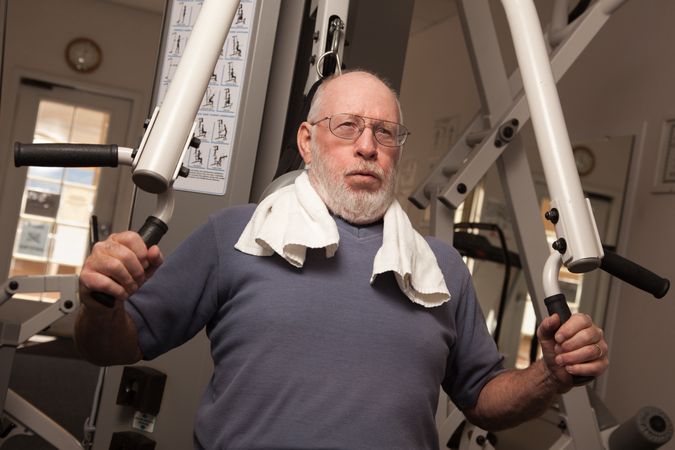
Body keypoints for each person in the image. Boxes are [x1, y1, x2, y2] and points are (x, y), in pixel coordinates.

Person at [75, 70, 609, 449]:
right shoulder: (233, 236)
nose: (368, 146)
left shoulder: (441, 270)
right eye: (347, 127)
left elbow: (483, 398)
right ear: (308, 141)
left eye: (385, 132)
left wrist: (550, 375)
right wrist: (100, 304)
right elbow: (111, 346)